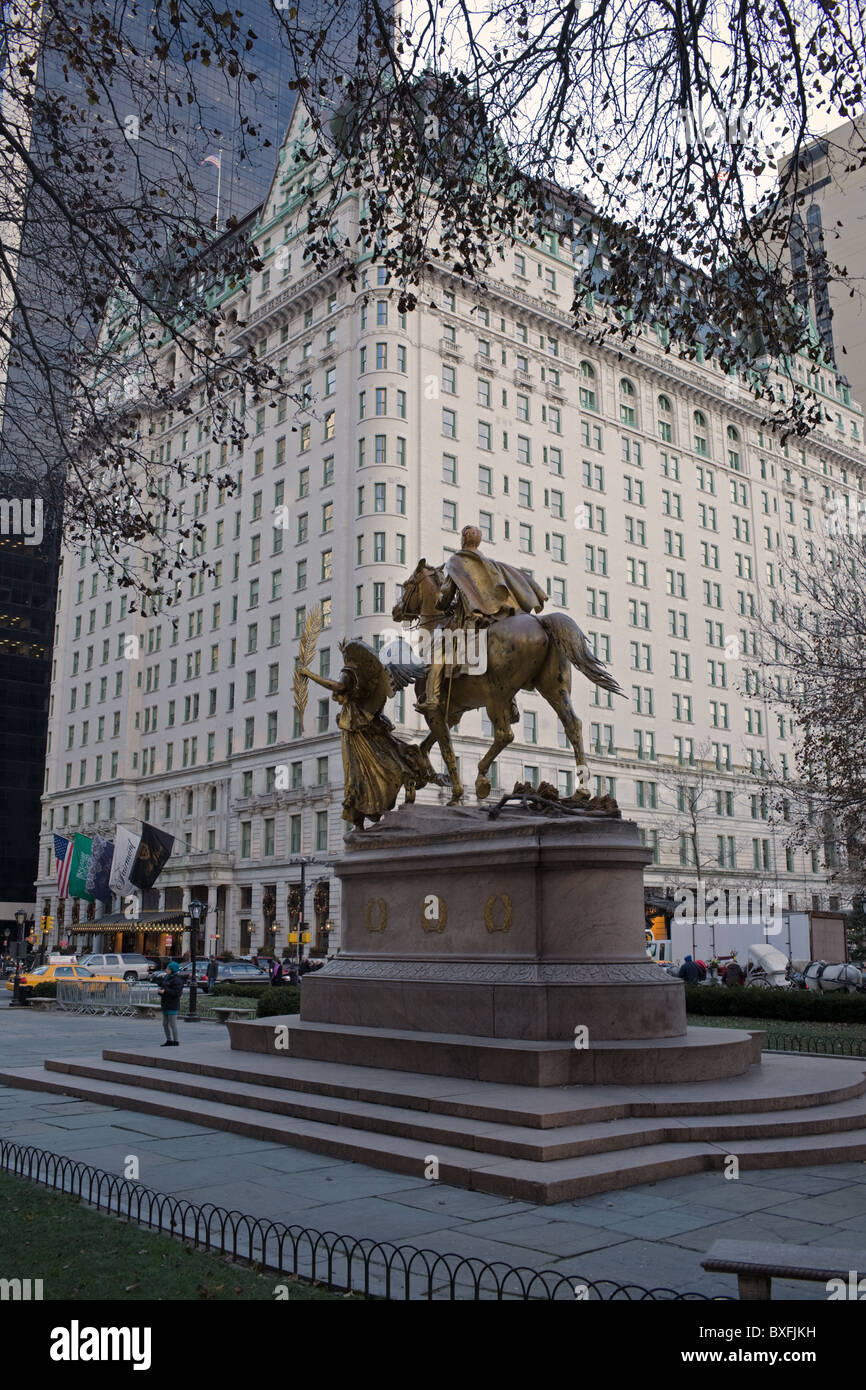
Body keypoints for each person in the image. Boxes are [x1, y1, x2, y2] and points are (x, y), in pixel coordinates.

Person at [158, 960, 183, 1045]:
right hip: (165, 1003)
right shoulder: (167, 977)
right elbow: (163, 987)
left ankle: (176, 1041)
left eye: (168, 969)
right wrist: (160, 991)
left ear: (172, 970)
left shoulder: (177, 980)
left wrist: (165, 991)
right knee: (165, 1024)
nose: (166, 970)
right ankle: (169, 1040)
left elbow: (177, 993)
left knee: (172, 1024)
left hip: (173, 1004)